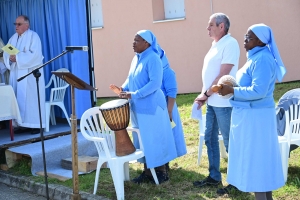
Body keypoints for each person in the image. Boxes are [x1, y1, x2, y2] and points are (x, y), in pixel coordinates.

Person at [216, 24, 286, 199]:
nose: (245, 40)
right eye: (245, 36)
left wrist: (232, 90)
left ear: (261, 40)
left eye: (250, 37)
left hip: (257, 119)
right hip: (250, 116)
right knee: (255, 163)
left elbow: (259, 91)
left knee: (257, 164)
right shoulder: (255, 57)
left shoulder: (262, 59)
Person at [109, 30, 177, 184]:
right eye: (133, 40)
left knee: (154, 139)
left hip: (152, 107)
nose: (133, 43)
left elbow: (155, 84)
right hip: (138, 107)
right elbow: (131, 78)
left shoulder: (153, 58)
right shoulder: (136, 58)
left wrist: (134, 94)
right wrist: (123, 88)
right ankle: (147, 171)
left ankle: (161, 172)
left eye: (137, 40)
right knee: (144, 140)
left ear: (147, 43)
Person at [193, 13, 240, 188]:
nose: (207, 28)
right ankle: (214, 177)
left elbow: (222, 75)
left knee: (229, 141)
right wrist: (204, 96)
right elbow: (210, 75)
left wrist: (205, 94)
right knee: (210, 139)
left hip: (224, 103)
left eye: (211, 24)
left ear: (222, 26)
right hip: (212, 101)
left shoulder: (230, 43)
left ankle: (236, 181)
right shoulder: (215, 45)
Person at [3, 15, 45, 134]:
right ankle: (21, 125)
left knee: (32, 99)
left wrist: (18, 58)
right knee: (17, 98)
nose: (16, 26)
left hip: (30, 75)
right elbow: (7, 53)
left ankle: (36, 125)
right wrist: (10, 59)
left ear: (27, 25)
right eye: (15, 24)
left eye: (19, 24)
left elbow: (36, 55)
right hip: (16, 75)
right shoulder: (13, 38)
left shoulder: (33, 36)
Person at [157, 44, 187, 170]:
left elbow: (172, 92)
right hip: (157, 109)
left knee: (168, 135)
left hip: (167, 108)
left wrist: (169, 111)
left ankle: (166, 164)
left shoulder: (167, 71)